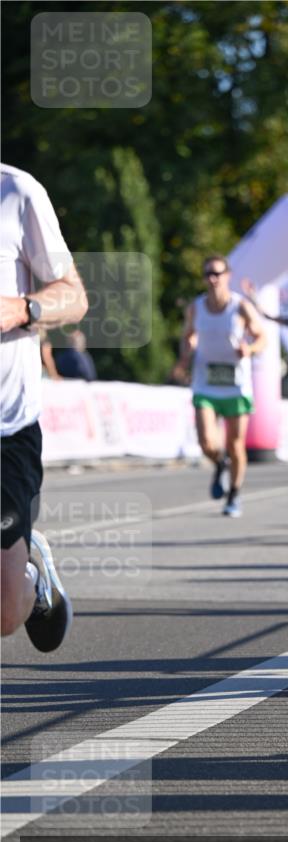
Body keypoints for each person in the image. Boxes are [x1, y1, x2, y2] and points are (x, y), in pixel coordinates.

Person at [1, 163, 88, 650]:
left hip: (6, 428)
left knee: (4, 612)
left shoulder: (16, 192)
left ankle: (32, 580)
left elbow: (73, 297)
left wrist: (22, 308)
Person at [180, 255, 266, 517]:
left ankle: (234, 496)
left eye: (217, 273)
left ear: (227, 276)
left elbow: (261, 337)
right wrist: (185, 355)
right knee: (206, 441)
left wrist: (249, 349)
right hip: (205, 384)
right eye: (208, 274)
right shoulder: (196, 307)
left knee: (235, 444)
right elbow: (187, 335)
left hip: (236, 386)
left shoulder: (240, 306)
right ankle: (220, 463)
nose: (212, 279)